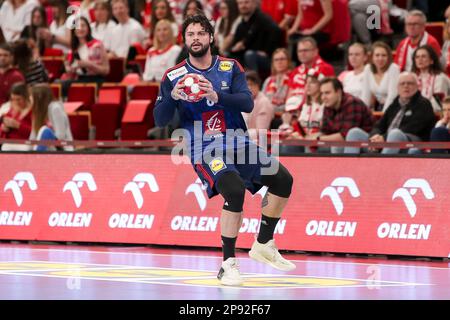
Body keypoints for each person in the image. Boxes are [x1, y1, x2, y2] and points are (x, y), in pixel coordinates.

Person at [154, 14, 296, 286]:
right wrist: (172, 98)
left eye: (200, 33)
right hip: (203, 147)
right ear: (185, 40)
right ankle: (228, 263)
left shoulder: (230, 68)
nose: (195, 38)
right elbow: (160, 120)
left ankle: (264, 243)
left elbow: (247, 103)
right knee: (233, 190)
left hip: (236, 141)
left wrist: (216, 96)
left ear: (210, 37)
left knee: (283, 180)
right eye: (190, 34)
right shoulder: (173, 76)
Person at [344, 72, 436, 154]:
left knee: (395, 134)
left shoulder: (423, 103)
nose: (406, 86)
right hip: (385, 141)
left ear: (417, 86)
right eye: (402, 84)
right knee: (354, 133)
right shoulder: (395, 103)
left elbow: (411, 128)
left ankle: (381, 169)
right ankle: (349, 170)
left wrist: (384, 138)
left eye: (410, 83)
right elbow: (379, 125)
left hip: (411, 143)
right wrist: (375, 137)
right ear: (397, 88)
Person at [361, 41, 400, 112]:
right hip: (378, 107)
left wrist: (383, 116)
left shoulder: (393, 68)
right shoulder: (368, 68)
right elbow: (365, 95)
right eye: (377, 55)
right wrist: (362, 113)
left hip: (394, 107)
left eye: (384, 55)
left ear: (389, 57)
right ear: (372, 57)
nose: (380, 58)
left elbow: (392, 96)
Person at [412, 45, 450, 112]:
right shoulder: (413, 77)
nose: (420, 59)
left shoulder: (440, 78)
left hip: (434, 114)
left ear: (431, 60)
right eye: (417, 57)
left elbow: (438, 104)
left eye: (423, 56)